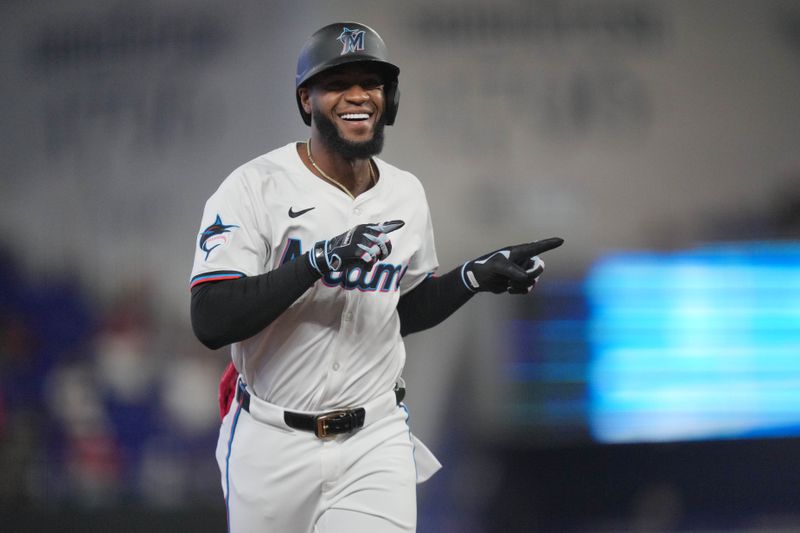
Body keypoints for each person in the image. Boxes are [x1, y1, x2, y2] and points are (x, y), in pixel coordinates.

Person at [189, 21, 563, 533]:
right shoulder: (254, 188)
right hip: (270, 443)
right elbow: (211, 319)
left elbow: (400, 310)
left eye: (372, 82)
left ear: (390, 99)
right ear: (306, 101)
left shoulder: (405, 194)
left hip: (373, 439)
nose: (358, 95)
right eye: (338, 82)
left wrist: (473, 277)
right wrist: (317, 262)